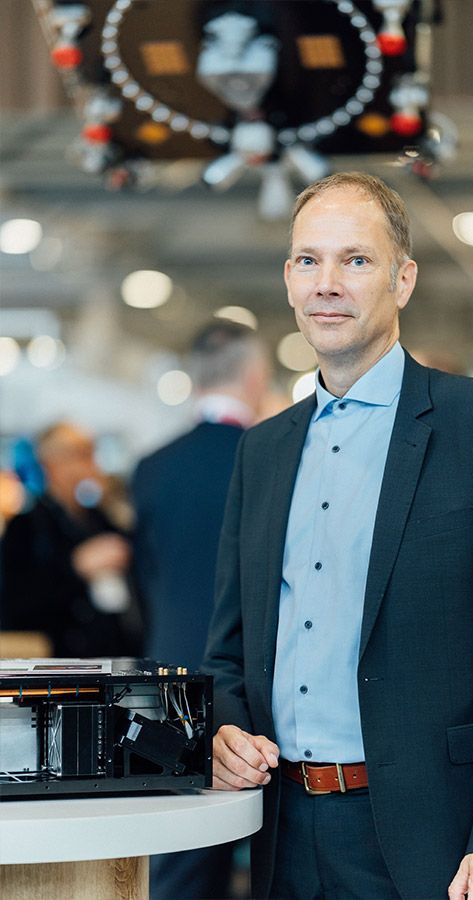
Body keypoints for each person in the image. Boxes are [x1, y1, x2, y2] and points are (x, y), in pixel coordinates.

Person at [202, 172, 473, 900]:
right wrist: (225, 729)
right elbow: (229, 648)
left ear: (403, 280)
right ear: (288, 280)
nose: (327, 283)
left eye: (356, 259)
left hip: (438, 841)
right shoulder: (263, 449)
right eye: (308, 260)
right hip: (281, 834)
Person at [131, 319, 271, 900]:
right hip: (257, 680)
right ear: (255, 375)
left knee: (181, 863)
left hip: (167, 679)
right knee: (278, 852)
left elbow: (144, 580)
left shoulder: (152, 466)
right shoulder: (271, 459)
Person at [1, 422, 142, 658]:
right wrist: (75, 567)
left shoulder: (99, 517)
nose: (90, 463)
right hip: (61, 658)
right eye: (80, 453)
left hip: (115, 650)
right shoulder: (27, 526)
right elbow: (17, 601)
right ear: (50, 464)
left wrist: (111, 499)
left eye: (91, 452)